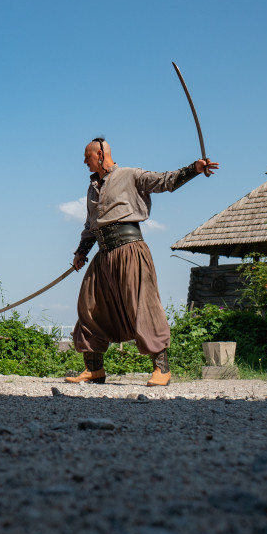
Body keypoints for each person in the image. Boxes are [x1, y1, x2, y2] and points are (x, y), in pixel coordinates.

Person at [65, 138, 217, 387]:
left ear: (101, 154)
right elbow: (90, 225)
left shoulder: (130, 175)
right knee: (89, 305)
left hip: (130, 250)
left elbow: (164, 181)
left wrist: (195, 169)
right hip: (103, 255)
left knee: (142, 306)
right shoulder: (92, 188)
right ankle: (94, 369)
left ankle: (162, 369)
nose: (84, 161)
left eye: (87, 156)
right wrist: (82, 252)